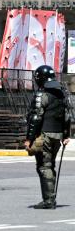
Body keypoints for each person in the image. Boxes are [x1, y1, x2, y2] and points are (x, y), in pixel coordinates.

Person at [24, 65, 71, 209]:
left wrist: (29, 139)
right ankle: (50, 197)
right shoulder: (61, 94)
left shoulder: (42, 94)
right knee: (50, 165)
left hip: (45, 135)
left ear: (40, 79)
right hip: (58, 136)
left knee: (44, 166)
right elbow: (67, 116)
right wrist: (66, 135)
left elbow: (35, 118)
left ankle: (48, 200)